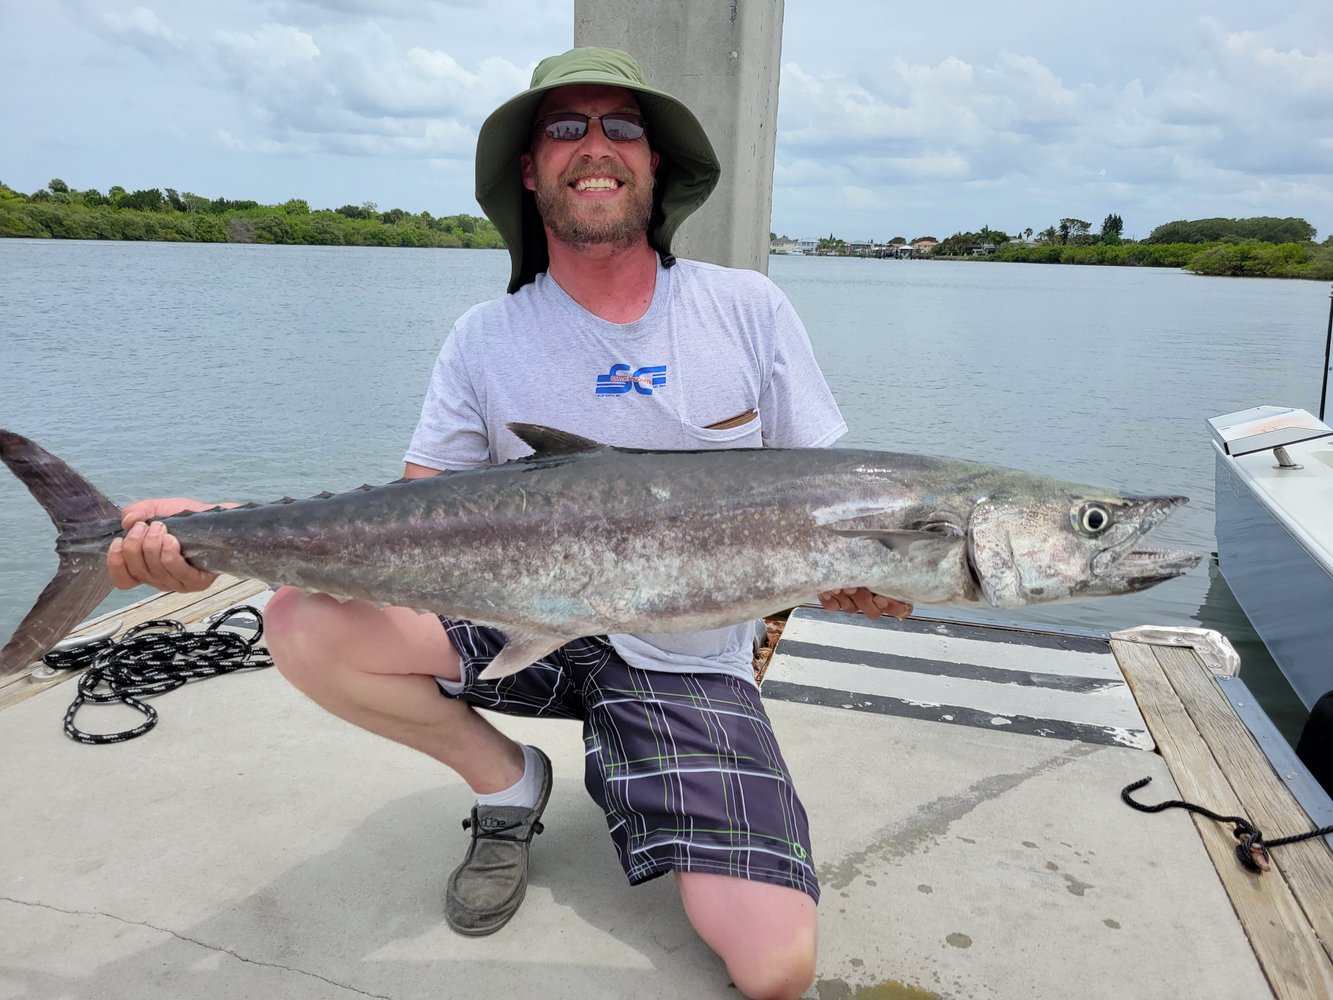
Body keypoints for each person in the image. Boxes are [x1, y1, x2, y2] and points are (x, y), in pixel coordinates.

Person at [109, 47, 908, 1000]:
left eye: (621, 126)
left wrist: (867, 570)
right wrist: (217, 530)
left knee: (776, 969)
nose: (594, 146)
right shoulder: (483, 339)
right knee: (299, 620)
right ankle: (506, 784)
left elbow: (834, 498)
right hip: (520, 615)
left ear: (656, 165)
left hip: (686, 658)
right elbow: (401, 521)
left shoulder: (747, 310)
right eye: (564, 128)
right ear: (530, 170)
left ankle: (651, 756)